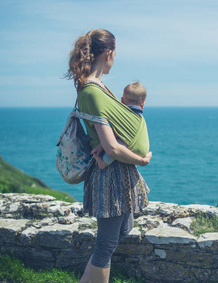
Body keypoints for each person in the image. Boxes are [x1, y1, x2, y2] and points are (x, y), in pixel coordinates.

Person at [65, 28, 152, 283]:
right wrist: (142, 160)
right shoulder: (92, 91)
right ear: (109, 53)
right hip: (109, 174)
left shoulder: (101, 87)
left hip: (119, 173)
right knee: (105, 245)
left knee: (124, 229)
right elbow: (112, 147)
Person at [93, 81, 147, 170]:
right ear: (143, 104)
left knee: (117, 146)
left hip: (128, 144)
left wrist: (100, 146)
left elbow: (116, 132)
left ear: (121, 100)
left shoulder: (124, 115)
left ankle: (103, 162)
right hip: (140, 151)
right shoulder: (139, 116)